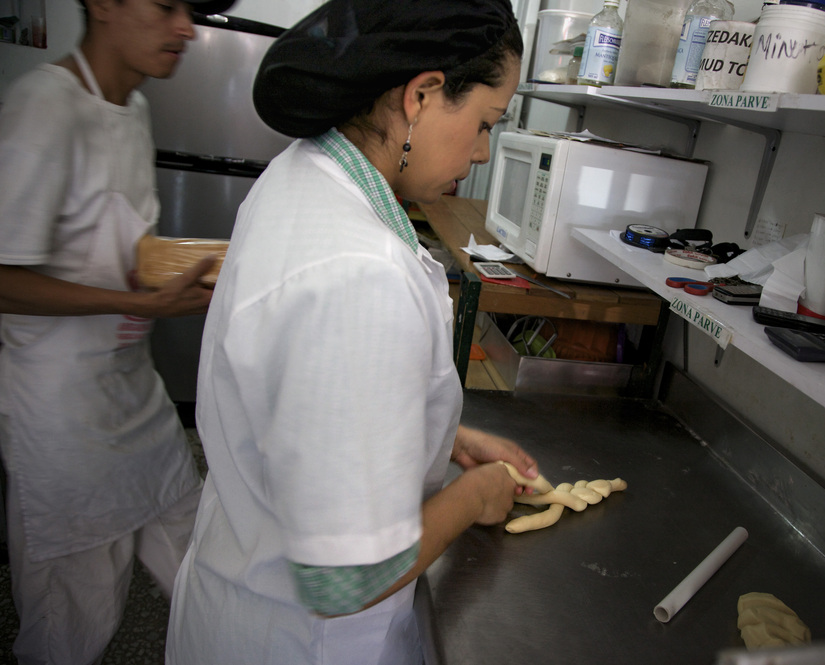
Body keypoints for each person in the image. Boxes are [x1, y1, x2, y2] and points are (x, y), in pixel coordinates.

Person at [165, 1, 539, 662]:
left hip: (241, 595)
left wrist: (438, 436)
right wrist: (471, 496)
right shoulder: (359, 274)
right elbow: (348, 579)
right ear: (422, 94)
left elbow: (305, 405)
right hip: (300, 641)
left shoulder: (303, 174)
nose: (481, 152)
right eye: (485, 123)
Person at [0, 0, 234, 662]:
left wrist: (185, 280)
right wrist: (146, 304)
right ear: (102, 3)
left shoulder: (131, 108)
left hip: (134, 393)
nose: (187, 29)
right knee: (71, 623)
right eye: (166, 6)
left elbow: (118, 242)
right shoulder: (44, 107)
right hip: (62, 418)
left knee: (203, 563)